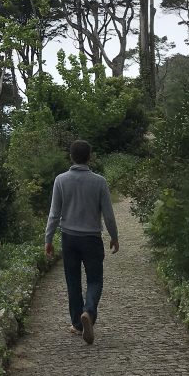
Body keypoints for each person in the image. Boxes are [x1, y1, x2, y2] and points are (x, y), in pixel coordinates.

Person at [44, 139, 119, 345]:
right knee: (95, 280)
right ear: (89, 157)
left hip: (69, 238)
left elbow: (54, 213)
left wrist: (48, 239)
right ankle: (89, 312)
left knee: (73, 281)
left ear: (71, 156)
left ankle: (78, 324)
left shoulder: (60, 180)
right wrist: (114, 236)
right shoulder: (99, 182)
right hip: (92, 239)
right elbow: (109, 215)